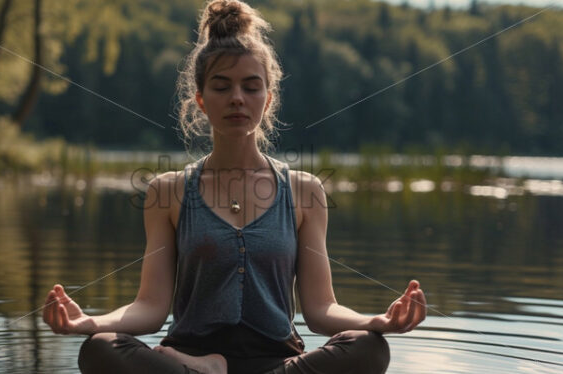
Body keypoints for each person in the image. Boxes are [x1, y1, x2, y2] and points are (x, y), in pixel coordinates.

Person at [42, 1, 427, 373]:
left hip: (279, 360)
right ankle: (201, 367)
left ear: (268, 98)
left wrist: (377, 320)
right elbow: (150, 308)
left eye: (251, 86)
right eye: (222, 86)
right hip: (187, 355)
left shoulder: (305, 191)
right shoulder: (167, 192)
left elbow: (321, 309)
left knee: (369, 348)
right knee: (100, 349)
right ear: (201, 100)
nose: (237, 98)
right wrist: (89, 323)